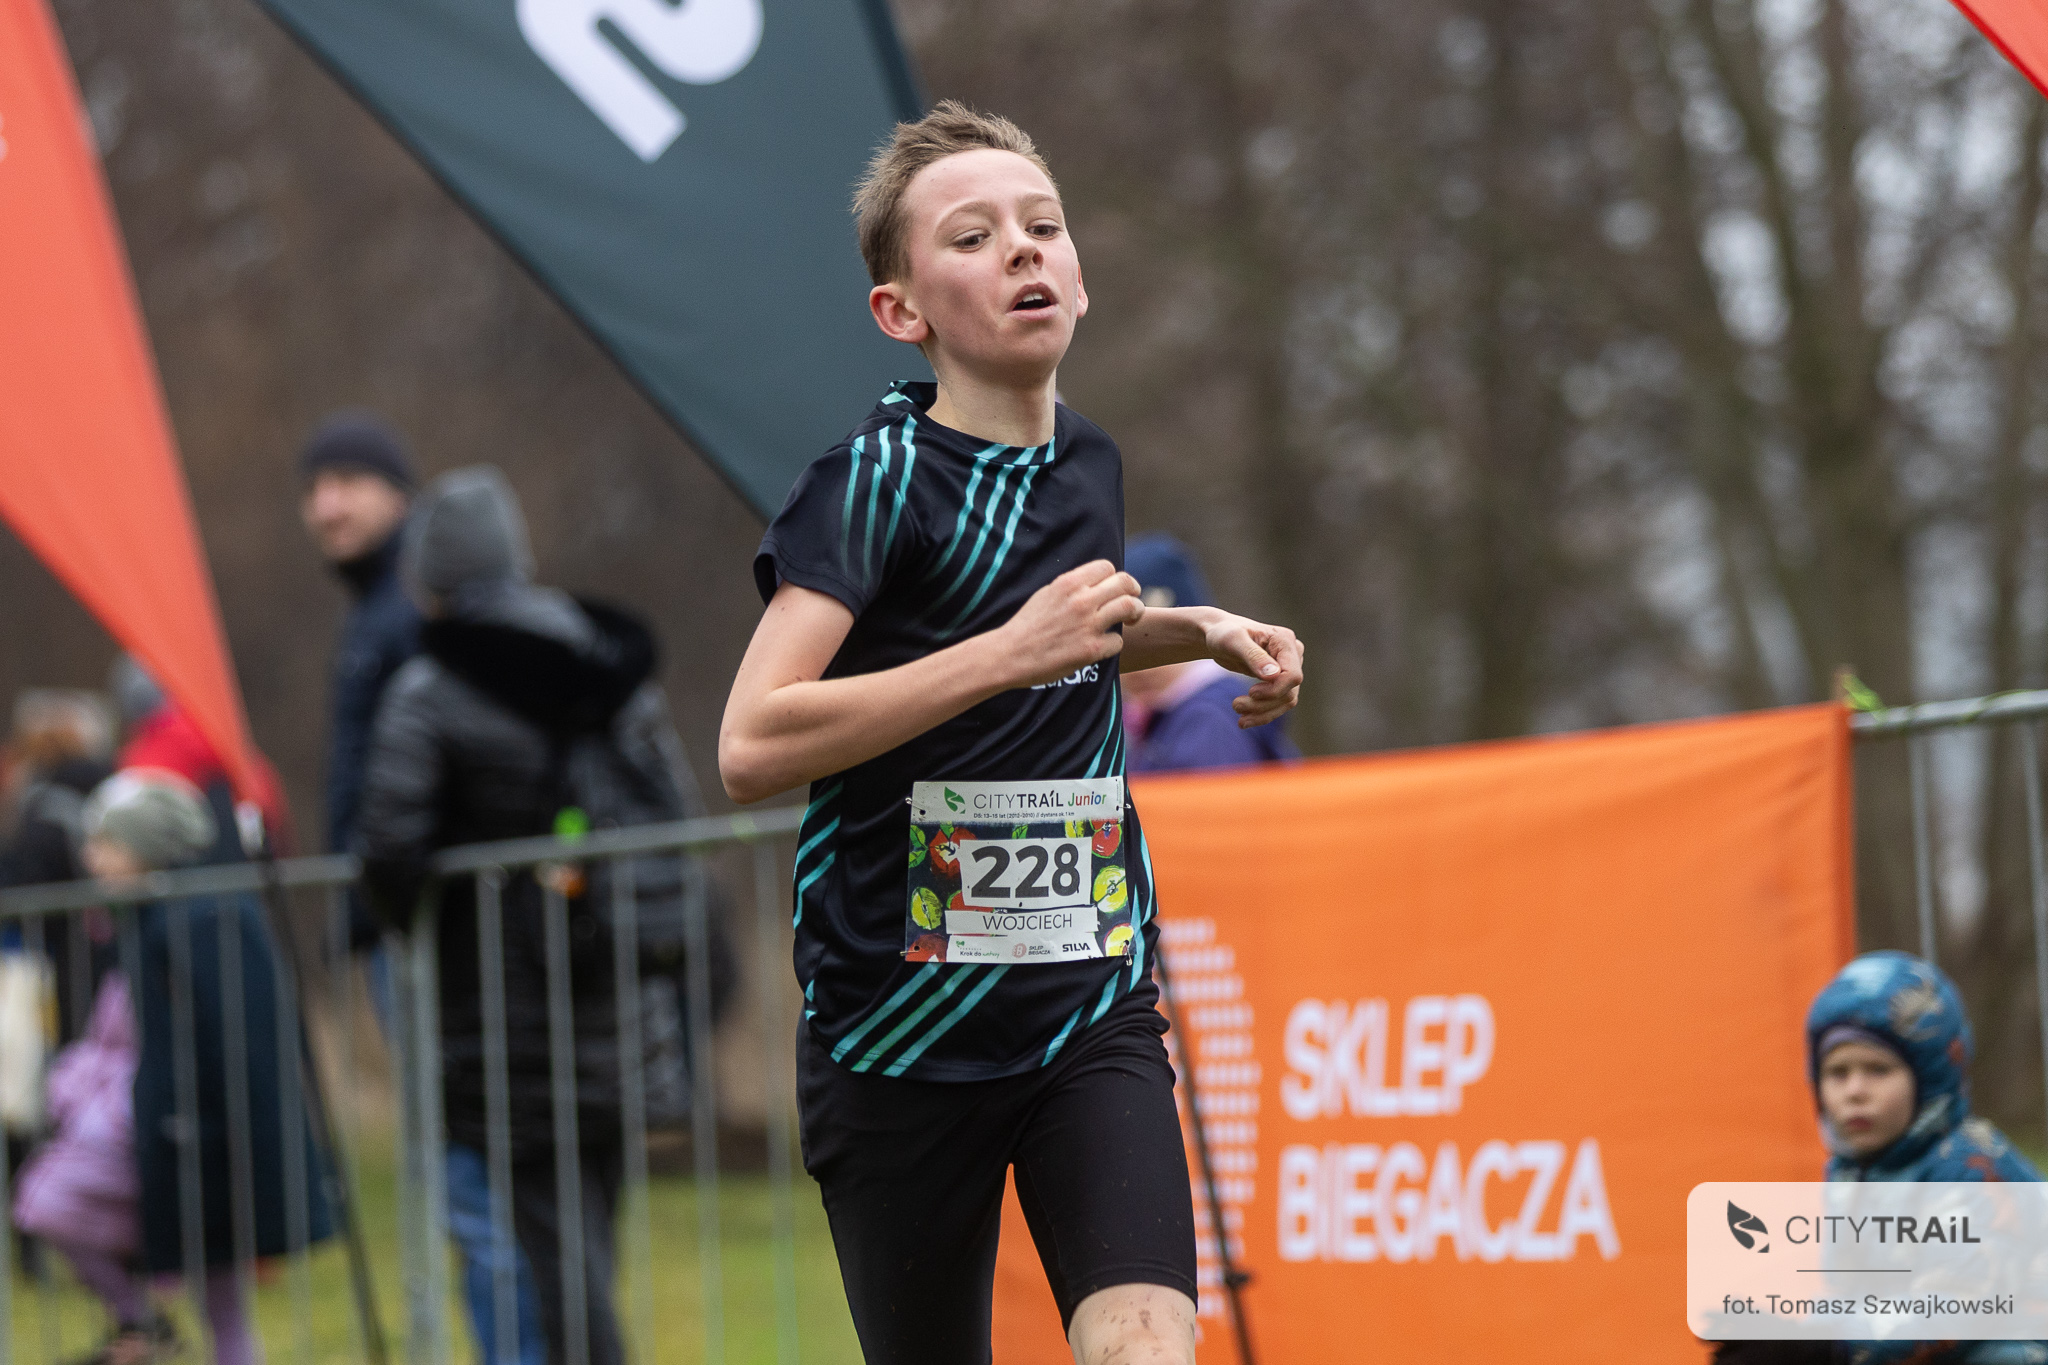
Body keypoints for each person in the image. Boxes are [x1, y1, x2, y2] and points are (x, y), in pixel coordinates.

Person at [718, 102, 1304, 1365]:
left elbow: (1068, 636)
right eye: (973, 237)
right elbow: (751, 742)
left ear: (1079, 278)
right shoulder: (871, 484)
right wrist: (1006, 654)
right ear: (901, 311)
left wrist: (1194, 631)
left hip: (1086, 1002)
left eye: (1042, 226)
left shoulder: (1086, 464)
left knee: (1146, 1341)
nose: (1022, 250)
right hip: (896, 1033)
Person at [356, 466, 720, 1365]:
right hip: (619, 996)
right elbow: (674, 809)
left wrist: (426, 907)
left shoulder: (430, 687)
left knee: (560, 1264)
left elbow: (388, 846)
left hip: (503, 1021)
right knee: (588, 1242)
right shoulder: (607, 664)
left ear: (431, 576)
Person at [15, 770, 333, 1365]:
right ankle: (141, 1323)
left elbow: (231, 1041)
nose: (90, 857)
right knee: (64, 1210)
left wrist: (211, 1129)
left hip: (200, 1136)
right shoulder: (147, 919)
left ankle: (151, 1329)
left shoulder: (202, 920)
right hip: (164, 1130)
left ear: (146, 848)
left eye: (106, 843)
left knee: (222, 1300)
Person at [1715, 951, 2046, 1365]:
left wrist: (1828, 1347)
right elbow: (1850, 1295)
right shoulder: (1850, 1174)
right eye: (1838, 1073)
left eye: (1878, 1070)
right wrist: (1789, 1338)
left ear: (1928, 1080)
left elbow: (1958, 1308)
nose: (1855, 1090)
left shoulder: (1967, 1170)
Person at [1121, 534, 1300, 773]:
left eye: (1155, 642)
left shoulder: (1207, 721)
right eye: (1130, 644)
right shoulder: (1149, 719)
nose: (1142, 670)